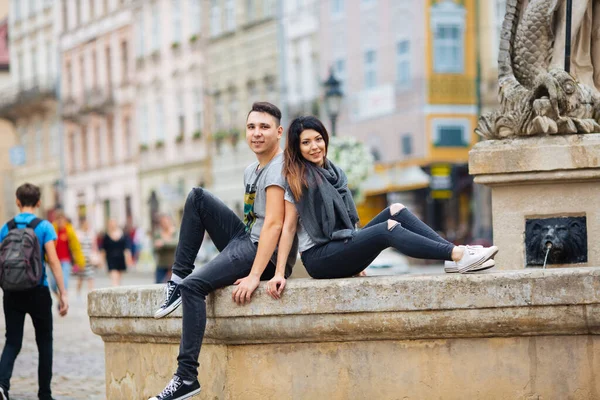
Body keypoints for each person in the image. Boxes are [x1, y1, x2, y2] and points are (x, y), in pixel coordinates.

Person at [149, 102, 297, 400]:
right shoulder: (251, 169)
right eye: (252, 127)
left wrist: (255, 275)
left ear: (279, 132)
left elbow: (274, 225)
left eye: (264, 127)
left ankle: (186, 377)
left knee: (195, 288)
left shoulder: (280, 169)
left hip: (260, 253)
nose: (257, 133)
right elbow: (250, 219)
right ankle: (176, 279)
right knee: (198, 197)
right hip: (245, 239)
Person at [265, 116, 498, 298]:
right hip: (319, 258)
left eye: (318, 139)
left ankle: (451, 257)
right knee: (387, 228)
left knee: (396, 209)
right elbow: (287, 228)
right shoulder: (297, 179)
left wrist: (355, 255)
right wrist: (279, 273)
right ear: (297, 148)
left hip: (341, 246)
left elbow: (347, 221)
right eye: (306, 142)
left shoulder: (334, 174)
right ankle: (458, 254)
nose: (314, 146)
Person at [0, 183, 69, 400]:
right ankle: (44, 394)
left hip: (11, 291)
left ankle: (2, 385)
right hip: (38, 291)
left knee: (12, 341)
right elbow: (54, 261)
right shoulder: (44, 227)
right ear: (39, 203)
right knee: (44, 342)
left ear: (18, 202)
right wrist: (62, 293)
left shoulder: (6, 228)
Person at [49, 211, 85, 295]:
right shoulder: (52, 230)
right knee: (53, 284)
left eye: (62, 220)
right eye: (58, 220)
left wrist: (80, 262)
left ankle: (63, 298)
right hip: (53, 260)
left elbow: (76, 247)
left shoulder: (69, 231)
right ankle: (60, 298)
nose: (60, 222)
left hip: (65, 261)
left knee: (64, 282)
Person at [99, 219, 133, 287]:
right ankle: (115, 290)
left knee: (119, 279)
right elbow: (103, 250)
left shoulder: (123, 235)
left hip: (121, 259)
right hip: (111, 259)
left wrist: (128, 259)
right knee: (114, 278)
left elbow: (127, 249)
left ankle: (117, 292)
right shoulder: (106, 236)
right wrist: (102, 262)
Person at [73, 218, 99, 298]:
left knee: (90, 277)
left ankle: (91, 294)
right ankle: (78, 293)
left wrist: (96, 256)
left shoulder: (91, 234)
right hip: (82, 259)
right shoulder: (78, 234)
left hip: (90, 259)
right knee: (80, 277)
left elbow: (94, 246)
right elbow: (76, 247)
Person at [153, 214, 178, 284]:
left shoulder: (175, 232)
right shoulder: (158, 233)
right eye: (163, 222)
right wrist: (167, 241)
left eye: (166, 222)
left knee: (172, 285)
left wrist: (163, 243)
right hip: (161, 264)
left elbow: (175, 244)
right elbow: (155, 248)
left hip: (173, 264)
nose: (165, 224)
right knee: (158, 284)